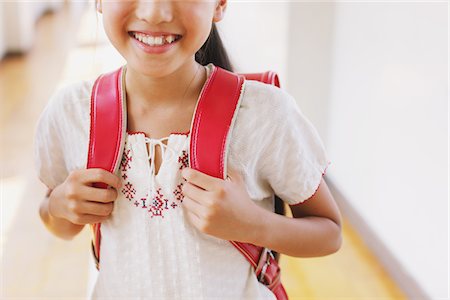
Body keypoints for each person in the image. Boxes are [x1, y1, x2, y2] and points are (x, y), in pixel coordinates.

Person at [33, 0, 343, 298]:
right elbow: (54, 219)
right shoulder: (71, 113)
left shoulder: (264, 114)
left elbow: (329, 233)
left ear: (219, 4)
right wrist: (60, 205)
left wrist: (254, 224)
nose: (154, 12)